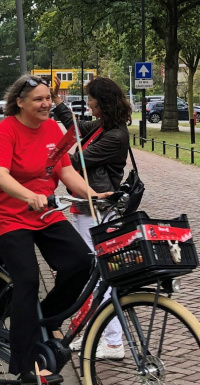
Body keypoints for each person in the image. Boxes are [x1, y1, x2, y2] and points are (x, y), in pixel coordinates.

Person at [0, 75, 108, 385]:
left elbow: (65, 170)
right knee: (27, 278)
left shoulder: (53, 129)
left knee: (82, 261)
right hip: (7, 214)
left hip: (45, 213)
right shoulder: (6, 130)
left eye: (48, 97)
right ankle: (23, 363)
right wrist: (29, 195)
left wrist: (92, 195)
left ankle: (44, 318)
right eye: (38, 99)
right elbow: (0, 175)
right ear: (20, 103)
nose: (46, 103)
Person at [52, 76, 131, 360]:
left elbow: (77, 161)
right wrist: (59, 103)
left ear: (103, 101)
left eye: (91, 98)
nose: (88, 103)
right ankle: (91, 331)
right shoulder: (103, 126)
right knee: (93, 275)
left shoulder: (115, 136)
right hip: (86, 207)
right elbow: (77, 127)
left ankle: (111, 342)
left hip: (97, 209)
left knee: (100, 277)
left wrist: (47, 153)